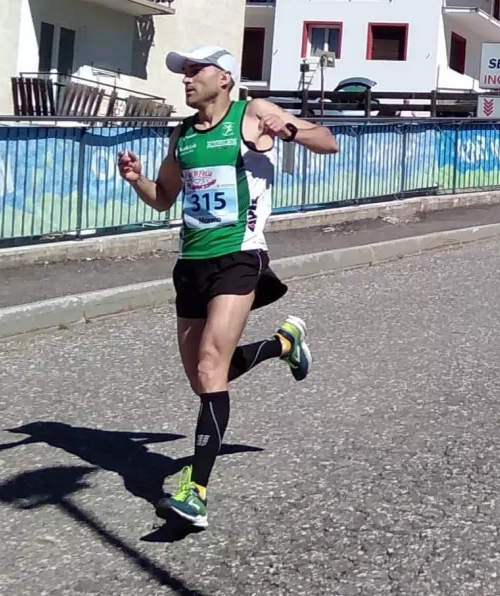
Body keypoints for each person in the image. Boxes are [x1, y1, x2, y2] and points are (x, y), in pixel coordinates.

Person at [117, 45, 339, 530]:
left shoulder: (252, 113)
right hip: (191, 262)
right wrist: (136, 180)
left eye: (196, 71)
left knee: (210, 366)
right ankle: (284, 344)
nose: (187, 79)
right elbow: (163, 199)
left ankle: (195, 491)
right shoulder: (182, 136)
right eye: (185, 73)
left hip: (240, 257)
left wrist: (291, 130)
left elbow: (328, 140)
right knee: (204, 375)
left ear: (225, 78)